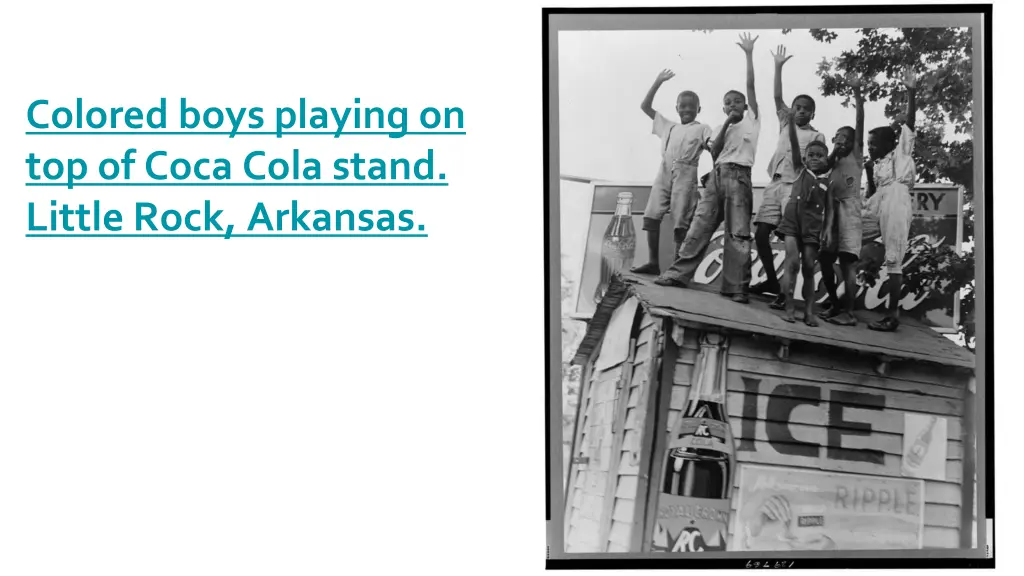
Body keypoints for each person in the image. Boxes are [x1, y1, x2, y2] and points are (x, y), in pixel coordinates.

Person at [654, 32, 762, 303]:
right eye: (727, 103)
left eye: (737, 101)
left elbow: (750, 86)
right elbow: (714, 151)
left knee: (737, 232)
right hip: (716, 177)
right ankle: (678, 274)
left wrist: (748, 54)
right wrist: (726, 123)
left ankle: (737, 287)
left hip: (739, 177)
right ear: (723, 108)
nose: (733, 105)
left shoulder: (752, 120)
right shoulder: (718, 127)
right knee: (699, 226)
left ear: (746, 106)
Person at [750, 45, 826, 307]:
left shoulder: (816, 136)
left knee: (790, 239)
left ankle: (786, 290)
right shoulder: (786, 123)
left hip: (795, 187)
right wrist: (779, 66)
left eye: (806, 108)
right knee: (761, 233)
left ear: (813, 113)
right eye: (797, 107)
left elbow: (813, 165)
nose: (801, 111)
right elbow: (776, 96)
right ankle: (771, 279)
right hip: (775, 182)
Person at [630, 70, 713, 275]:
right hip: (665, 169)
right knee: (651, 214)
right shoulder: (668, 126)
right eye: (682, 106)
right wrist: (658, 81)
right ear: (676, 108)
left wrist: (714, 172)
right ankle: (653, 262)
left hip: (687, 170)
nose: (686, 109)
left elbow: (714, 148)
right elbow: (645, 106)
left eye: (691, 107)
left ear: (698, 109)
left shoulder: (702, 128)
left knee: (681, 219)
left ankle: (677, 266)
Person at [859, 69, 919, 332]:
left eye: (873, 143)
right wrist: (867, 171)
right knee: (849, 232)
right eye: (868, 143)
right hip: (879, 199)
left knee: (894, 257)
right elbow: (872, 195)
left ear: (888, 143)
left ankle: (892, 316)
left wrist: (911, 91)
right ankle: (858, 279)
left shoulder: (901, 153)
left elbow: (910, 124)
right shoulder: (876, 164)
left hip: (896, 198)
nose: (870, 147)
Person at [772, 109, 837, 326]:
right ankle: (789, 308)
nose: (815, 159)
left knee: (809, 266)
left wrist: (827, 230)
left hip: (812, 227)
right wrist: (790, 123)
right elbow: (792, 139)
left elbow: (830, 209)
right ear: (805, 158)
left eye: (820, 156)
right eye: (811, 155)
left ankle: (809, 312)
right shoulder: (800, 170)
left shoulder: (827, 182)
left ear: (826, 159)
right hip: (792, 222)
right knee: (792, 264)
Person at [818, 73, 866, 326]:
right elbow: (821, 166)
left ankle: (848, 312)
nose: (841, 140)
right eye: (838, 136)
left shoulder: (856, 156)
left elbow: (859, 120)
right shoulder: (833, 162)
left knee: (847, 261)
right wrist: (834, 149)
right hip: (831, 212)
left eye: (846, 138)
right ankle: (835, 305)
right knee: (825, 258)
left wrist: (857, 93)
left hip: (849, 210)